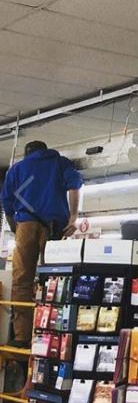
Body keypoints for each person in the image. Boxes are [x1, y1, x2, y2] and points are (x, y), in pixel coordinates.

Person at [1, 141, 83, 345]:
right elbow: (74, 186)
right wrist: (73, 216)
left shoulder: (17, 169)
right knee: (54, 280)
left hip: (25, 224)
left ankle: (21, 336)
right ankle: (48, 334)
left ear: (26, 152)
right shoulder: (60, 163)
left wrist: (15, 227)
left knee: (22, 280)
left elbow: (7, 203)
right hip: (54, 227)